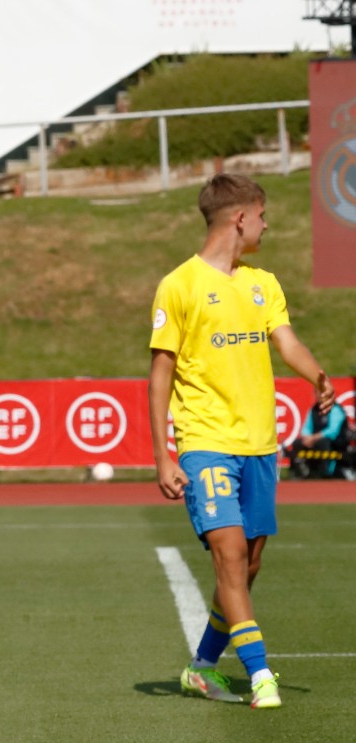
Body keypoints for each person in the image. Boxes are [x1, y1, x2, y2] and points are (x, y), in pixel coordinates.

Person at [149, 173, 334, 710]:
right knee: (229, 558)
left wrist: (319, 377)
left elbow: (288, 342)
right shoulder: (178, 285)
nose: (266, 224)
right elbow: (160, 373)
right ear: (239, 218)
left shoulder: (263, 283)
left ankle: (201, 668)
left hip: (259, 445)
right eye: (262, 214)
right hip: (206, 441)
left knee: (248, 564)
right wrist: (163, 454)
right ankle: (261, 676)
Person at [286, 401, 347, 479]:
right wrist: (307, 438)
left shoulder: (335, 409)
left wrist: (313, 438)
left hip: (334, 441)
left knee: (324, 442)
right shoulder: (314, 409)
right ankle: (300, 471)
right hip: (314, 440)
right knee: (297, 443)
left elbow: (332, 431)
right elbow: (306, 428)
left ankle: (326, 472)